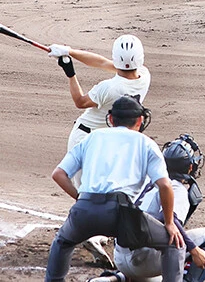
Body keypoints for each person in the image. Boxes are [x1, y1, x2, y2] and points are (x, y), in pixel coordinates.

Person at [44, 96, 185, 282]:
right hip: (123, 215)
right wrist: (169, 223)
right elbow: (165, 186)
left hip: (85, 210)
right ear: (140, 120)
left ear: (111, 119)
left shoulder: (92, 137)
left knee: (63, 242)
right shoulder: (146, 143)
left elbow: (59, 174)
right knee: (173, 244)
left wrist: (81, 198)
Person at [49, 34, 151, 268]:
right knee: (103, 188)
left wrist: (69, 71)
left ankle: (88, 230)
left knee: (87, 191)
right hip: (106, 141)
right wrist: (69, 49)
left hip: (85, 138)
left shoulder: (108, 88)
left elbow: (80, 101)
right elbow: (103, 63)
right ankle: (91, 232)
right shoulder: (144, 76)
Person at [91, 134, 205, 282]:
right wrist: (194, 249)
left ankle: (117, 278)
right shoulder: (177, 189)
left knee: (163, 248)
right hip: (143, 260)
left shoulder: (146, 179)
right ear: (190, 167)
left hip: (121, 256)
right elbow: (169, 221)